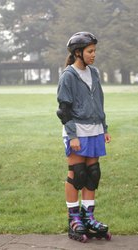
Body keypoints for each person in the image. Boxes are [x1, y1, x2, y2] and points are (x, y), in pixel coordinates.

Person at [56, 31, 112, 243]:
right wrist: (72, 135)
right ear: (78, 53)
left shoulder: (94, 72)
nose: (93, 54)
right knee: (77, 174)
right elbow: (64, 109)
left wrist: (104, 127)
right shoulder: (68, 76)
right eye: (90, 51)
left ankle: (89, 217)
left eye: (94, 51)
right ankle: (74, 218)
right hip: (77, 130)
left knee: (92, 174)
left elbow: (99, 101)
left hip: (95, 129)